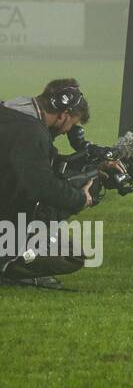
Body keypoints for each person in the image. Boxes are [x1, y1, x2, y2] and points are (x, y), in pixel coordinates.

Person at [0, 81, 98, 288]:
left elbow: (40, 165)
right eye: (72, 123)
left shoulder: (10, 113)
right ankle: (8, 265)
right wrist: (81, 198)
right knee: (71, 254)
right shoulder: (31, 132)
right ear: (63, 115)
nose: (67, 131)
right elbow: (41, 186)